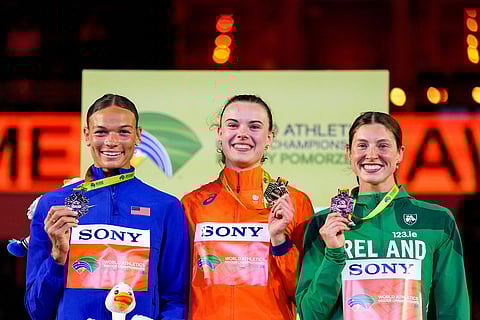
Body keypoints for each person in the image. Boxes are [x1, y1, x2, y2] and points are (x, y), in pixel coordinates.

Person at [25, 94, 189, 320]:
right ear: (87, 135)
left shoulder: (166, 207)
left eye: (123, 131)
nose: (112, 141)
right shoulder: (53, 205)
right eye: (101, 132)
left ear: (138, 136)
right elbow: (36, 310)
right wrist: (57, 257)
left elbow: (175, 300)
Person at [296, 112, 470, 320]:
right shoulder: (324, 224)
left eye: (383, 145)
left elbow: (453, 309)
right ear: (348, 153)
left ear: (400, 154)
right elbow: (310, 315)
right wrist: (334, 254)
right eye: (361, 146)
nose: (371, 154)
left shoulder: (437, 221)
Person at [182, 94, 314, 319]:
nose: (242, 133)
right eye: (233, 125)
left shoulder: (295, 203)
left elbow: (305, 296)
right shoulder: (192, 204)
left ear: (269, 137)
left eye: (254, 126)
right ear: (220, 133)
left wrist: (280, 241)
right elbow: (178, 289)